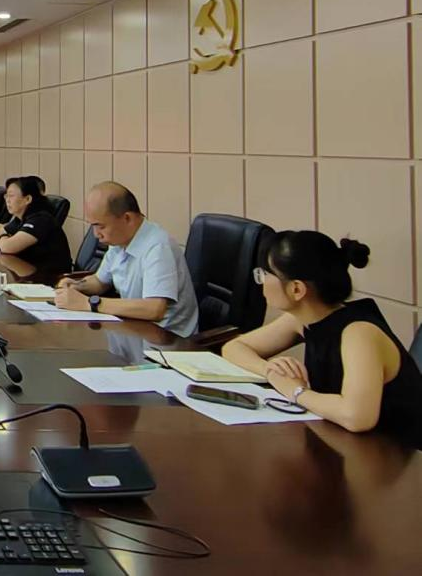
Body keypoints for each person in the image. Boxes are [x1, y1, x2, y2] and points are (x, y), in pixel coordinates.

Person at [222, 232, 422, 444]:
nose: (261, 281)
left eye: (265, 274)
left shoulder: (359, 333)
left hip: (400, 455)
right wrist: (271, 371)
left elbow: (357, 417)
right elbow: (234, 347)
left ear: (296, 289)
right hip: (346, 445)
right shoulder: (302, 319)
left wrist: (296, 391)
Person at [54, 181, 199, 337]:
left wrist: (89, 303)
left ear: (127, 218)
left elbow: (154, 309)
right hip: (133, 330)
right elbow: (100, 282)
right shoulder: (119, 242)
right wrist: (75, 286)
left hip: (167, 341)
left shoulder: (157, 247)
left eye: (101, 226)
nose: (96, 234)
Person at [0, 175, 70, 274]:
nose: (7, 200)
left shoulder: (40, 219)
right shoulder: (20, 218)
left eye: (11, 196)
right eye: (6, 196)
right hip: (25, 269)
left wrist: (3, 236)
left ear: (28, 199)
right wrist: (3, 239)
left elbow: (8, 247)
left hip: (49, 277)